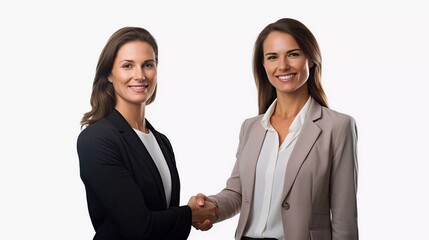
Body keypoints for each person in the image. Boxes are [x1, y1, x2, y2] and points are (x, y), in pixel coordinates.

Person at [193, 18, 359, 240]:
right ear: (263, 66)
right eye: (272, 57)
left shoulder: (338, 127)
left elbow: (344, 217)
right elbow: (238, 193)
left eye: (293, 54)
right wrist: (211, 207)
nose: (283, 66)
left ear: (311, 59)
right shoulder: (251, 127)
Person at [77, 26, 217, 240]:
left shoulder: (161, 141)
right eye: (127, 66)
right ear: (109, 75)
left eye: (148, 65)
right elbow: (139, 227)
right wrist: (190, 213)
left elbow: (163, 218)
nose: (140, 75)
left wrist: (196, 214)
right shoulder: (96, 139)